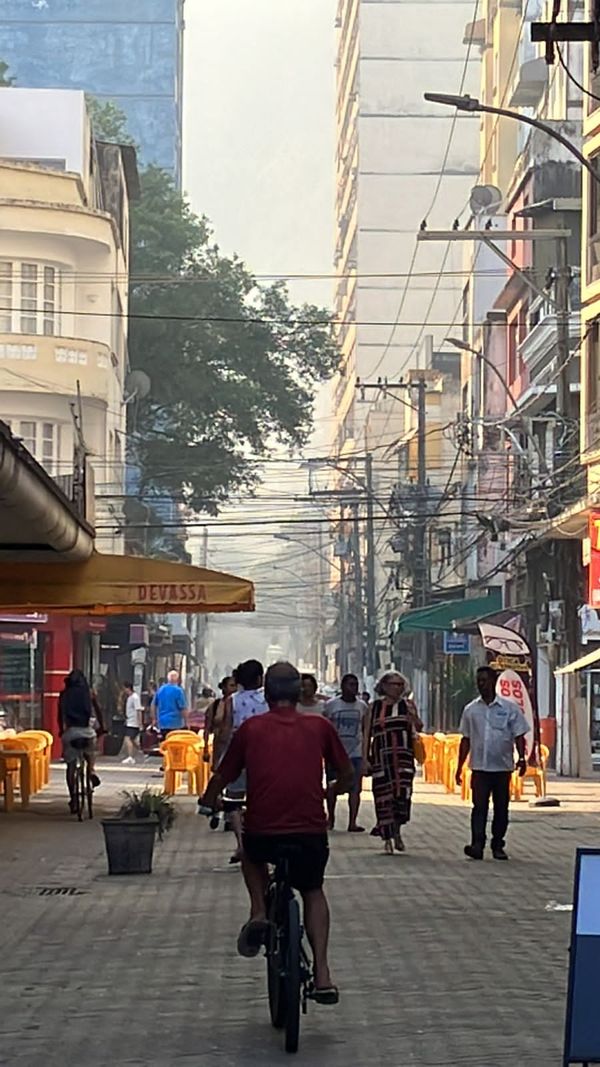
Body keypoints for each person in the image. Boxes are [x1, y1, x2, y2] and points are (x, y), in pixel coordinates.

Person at [201, 661, 353, 1003]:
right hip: (310, 830)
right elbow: (347, 774)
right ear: (299, 693)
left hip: (264, 829)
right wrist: (332, 791)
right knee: (312, 890)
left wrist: (207, 802)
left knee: (249, 853)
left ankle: (257, 911)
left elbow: (222, 777)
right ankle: (324, 974)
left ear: (266, 693)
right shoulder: (319, 727)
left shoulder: (251, 729)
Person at [455, 665, 529, 861]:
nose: (481, 684)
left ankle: (498, 844)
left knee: (501, 808)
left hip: (502, 768)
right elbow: (466, 739)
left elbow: (519, 735)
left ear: (494, 681)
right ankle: (477, 844)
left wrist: (522, 758)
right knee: (479, 807)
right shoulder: (471, 710)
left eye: (485, 680)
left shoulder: (509, 709)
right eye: (478, 681)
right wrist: (459, 766)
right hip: (479, 767)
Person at [364, 671, 423, 854]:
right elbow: (367, 734)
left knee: (402, 796)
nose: (397, 688)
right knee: (384, 797)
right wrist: (365, 758)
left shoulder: (407, 706)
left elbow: (419, 727)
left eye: (400, 685)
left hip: (403, 757)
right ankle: (387, 838)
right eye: (393, 684)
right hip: (382, 757)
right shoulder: (374, 708)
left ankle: (397, 831)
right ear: (384, 686)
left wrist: (413, 716)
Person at [220, 659, 269, 863]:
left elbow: (225, 731)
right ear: (260, 678)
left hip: (239, 754)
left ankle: (241, 844)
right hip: (265, 755)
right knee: (263, 800)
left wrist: (221, 759)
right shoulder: (268, 698)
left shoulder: (232, 700)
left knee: (234, 801)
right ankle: (263, 843)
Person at [323, 674, 369, 832]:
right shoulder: (331, 706)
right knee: (331, 788)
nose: (353, 688)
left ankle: (352, 822)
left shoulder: (362, 707)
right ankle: (331, 818)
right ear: (342, 687)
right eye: (350, 684)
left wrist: (365, 756)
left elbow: (365, 730)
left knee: (355, 789)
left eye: (356, 685)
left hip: (355, 753)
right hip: (335, 753)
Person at [58, 670, 105, 813]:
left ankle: (73, 798)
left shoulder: (64, 694)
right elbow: (98, 711)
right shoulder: (89, 693)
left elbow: (60, 716)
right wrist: (102, 727)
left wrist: (62, 730)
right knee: (90, 751)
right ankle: (91, 770)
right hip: (87, 731)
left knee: (70, 766)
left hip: (71, 732)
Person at [203, 676, 236, 768]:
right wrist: (205, 749)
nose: (235, 689)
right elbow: (207, 728)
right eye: (232, 686)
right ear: (224, 688)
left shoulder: (241, 704)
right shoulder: (215, 706)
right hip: (220, 747)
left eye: (236, 686)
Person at [151, 669, 188, 738]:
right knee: (174, 744)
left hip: (162, 723)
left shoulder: (160, 690)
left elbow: (153, 705)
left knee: (164, 743)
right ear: (177, 680)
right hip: (176, 724)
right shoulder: (178, 691)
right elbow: (183, 708)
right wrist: (186, 722)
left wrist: (154, 719)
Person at [121, 682, 142, 765]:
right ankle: (141, 751)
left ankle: (130, 757)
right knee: (132, 740)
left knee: (128, 738)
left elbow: (138, 710)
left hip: (133, 722)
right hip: (130, 721)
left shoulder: (135, 697)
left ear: (128, 688)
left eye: (124, 688)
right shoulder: (130, 697)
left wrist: (140, 723)